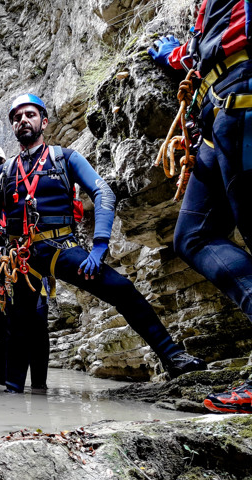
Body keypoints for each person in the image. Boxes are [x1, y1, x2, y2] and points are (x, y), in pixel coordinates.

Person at [0, 94, 207, 393]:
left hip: (61, 248)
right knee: (19, 327)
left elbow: (104, 193)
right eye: (17, 117)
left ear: (43, 122)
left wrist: (100, 246)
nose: (23, 120)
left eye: (30, 114)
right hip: (22, 258)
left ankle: (173, 356)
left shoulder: (65, 157)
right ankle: (12, 398)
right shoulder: (3, 173)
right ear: (13, 127)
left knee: (122, 289)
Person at [148, 0, 252, 413]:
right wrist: (178, 55)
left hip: (242, 96)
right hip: (217, 107)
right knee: (192, 235)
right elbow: (206, 48)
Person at [0, 142, 51, 392]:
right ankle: (5, 390)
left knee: (37, 323)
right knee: (1, 331)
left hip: (25, 263)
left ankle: (39, 386)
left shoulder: (19, 185)